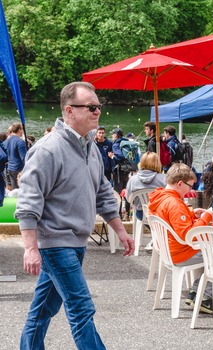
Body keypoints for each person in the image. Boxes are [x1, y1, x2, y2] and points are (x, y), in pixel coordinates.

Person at [15, 81, 134, 350]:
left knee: (43, 310)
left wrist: (121, 231)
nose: (97, 112)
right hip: (55, 244)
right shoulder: (47, 149)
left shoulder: (90, 146)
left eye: (98, 106)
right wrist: (30, 248)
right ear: (69, 110)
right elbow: (28, 201)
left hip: (77, 243)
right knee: (82, 309)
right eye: (91, 107)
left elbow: (103, 192)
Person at [148, 163, 213, 314]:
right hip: (183, 251)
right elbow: (188, 235)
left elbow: (176, 223)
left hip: (171, 250)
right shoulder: (174, 203)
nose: (191, 190)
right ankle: (205, 296)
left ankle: (198, 291)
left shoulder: (160, 197)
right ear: (179, 183)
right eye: (190, 186)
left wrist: (191, 215)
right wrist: (205, 217)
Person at [125, 152, 166, 221]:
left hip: (141, 214)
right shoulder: (164, 178)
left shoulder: (133, 180)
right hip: (160, 214)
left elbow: (128, 199)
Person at [4, 122, 27, 189]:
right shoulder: (20, 142)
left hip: (10, 168)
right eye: (22, 129)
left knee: (15, 190)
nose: (22, 131)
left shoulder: (6, 141)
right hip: (19, 169)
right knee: (22, 190)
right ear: (19, 130)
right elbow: (24, 157)